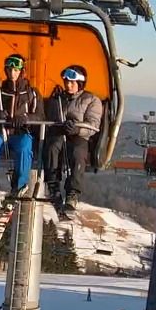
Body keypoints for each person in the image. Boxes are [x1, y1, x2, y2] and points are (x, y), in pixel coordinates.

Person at [0, 53, 42, 208]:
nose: (12, 73)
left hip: (21, 132)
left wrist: (26, 118)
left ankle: (18, 187)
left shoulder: (31, 93)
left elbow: (40, 115)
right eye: (9, 70)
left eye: (16, 70)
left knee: (25, 147)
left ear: (22, 72)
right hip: (2, 132)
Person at [43, 65, 103, 210]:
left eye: (72, 83)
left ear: (80, 84)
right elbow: (50, 117)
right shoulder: (59, 98)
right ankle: (53, 186)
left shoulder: (91, 100)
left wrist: (78, 128)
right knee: (52, 147)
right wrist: (54, 101)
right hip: (60, 132)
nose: (68, 85)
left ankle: (73, 193)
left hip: (79, 136)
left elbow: (93, 124)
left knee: (77, 153)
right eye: (66, 82)